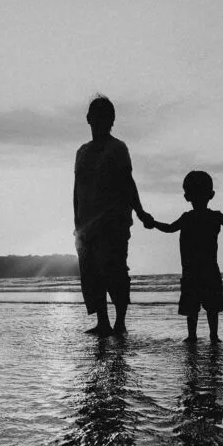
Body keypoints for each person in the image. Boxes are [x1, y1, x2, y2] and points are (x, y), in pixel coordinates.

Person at [148, 171, 223, 343]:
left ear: (187, 197)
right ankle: (213, 336)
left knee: (193, 308)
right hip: (209, 269)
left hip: (191, 270)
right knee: (212, 308)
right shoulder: (213, 217)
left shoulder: (187, 218)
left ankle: (193, 335)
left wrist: (153, 223)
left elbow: (169, 228)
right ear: (211, 195)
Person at [73, 94, 153, 337]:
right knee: (92, 274)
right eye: (96, 116)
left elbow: (127, 182)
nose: (100, 121)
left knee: (116, 271)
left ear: (112, 120)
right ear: (88, 119)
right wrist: (77, 221)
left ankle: (119, 322)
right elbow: (78, 188)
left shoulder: (118, 148)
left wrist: (140, 212)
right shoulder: (82, 152)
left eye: (105, 117)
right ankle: (103, 322)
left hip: (113, 222)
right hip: (86, 225)